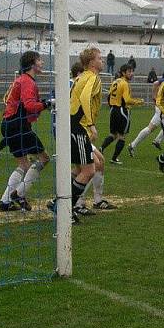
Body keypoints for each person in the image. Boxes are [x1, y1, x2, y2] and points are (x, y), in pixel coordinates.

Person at [0, 51, 52, 212]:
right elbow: (29, 105)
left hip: (8, 123)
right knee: (44, 158)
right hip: (18, 125)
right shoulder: (28, 81)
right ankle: (19, 194)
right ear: (33, 64)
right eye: (40, 60)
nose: (42, 63)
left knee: (23, 164)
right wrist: (47, 104)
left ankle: (5, 202)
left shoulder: (20, 79)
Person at [66, 47, 104, 220]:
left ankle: (62, 203)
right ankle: (64, 207)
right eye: (99, 58)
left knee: (87, 166)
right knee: (89, 170)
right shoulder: (92, 77)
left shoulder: (82, 77)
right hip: (78, 127)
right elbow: (85, 99)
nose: (102, 60)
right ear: (91, 62)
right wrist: (91, 124)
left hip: (73, 125)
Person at [100, 64, 144, 164]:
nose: (131, 74)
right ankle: (114, 158)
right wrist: (138, 101)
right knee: (122, 136)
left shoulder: (115, 81)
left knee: (113, 134)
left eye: (132, 71)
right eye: (129, 72)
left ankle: (101, 148)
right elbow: (127, 100)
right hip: (122, 111)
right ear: (123, 73)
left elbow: (109, 96)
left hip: (113, 110)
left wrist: (112, 107)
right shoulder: (125, 83)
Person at [128, 72, 164, 156]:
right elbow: (155, 83)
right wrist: (154, 96)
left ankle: (133, 145)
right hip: (162, 108)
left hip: (163, 108)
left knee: (153, 127)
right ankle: (158, 142)